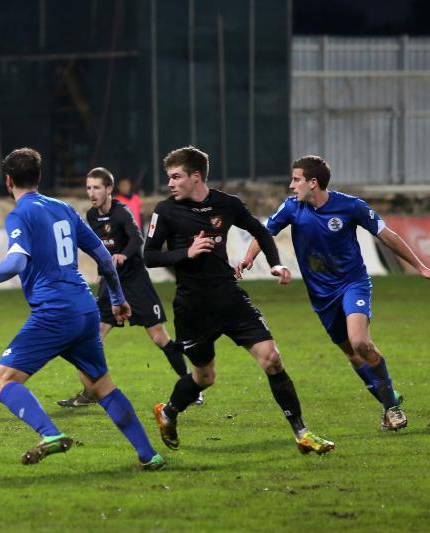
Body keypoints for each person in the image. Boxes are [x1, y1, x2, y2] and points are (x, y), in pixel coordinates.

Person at [0, 148, 166, 470]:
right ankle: (149, 455)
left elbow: (15, 263)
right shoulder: (64, 208)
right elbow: (103, 256)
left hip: (54, 313)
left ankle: (50, 434)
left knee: (0, 381)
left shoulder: (20, 214)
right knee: (101, 386)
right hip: (85, 309)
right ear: (39, 177)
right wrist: (116, 298)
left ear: (8, 180)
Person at [143, 146, 334, 455]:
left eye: (176, 177)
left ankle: (302, 433)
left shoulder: (227, 204)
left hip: (229, 298)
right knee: (204, 377)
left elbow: (261, 231)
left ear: (196, 177)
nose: (170, 183)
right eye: (170, 177)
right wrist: (185, 253)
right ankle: (169, 412)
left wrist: (275, 263)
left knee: (272, 358)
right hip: (193, 307)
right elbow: (149, 256)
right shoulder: (166, 210)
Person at [236, 155, 429, 431]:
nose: (291, 185)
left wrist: (419, 266)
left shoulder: (351, 206)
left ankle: (391, 408)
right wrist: (248, 258)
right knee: (352, 354)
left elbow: (387, 235)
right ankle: (387, 399)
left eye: (296, 180)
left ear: (313, 183)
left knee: (360, 342)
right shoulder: (291, 208)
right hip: (321, 295)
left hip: (352, 284)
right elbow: (264, 233)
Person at [57, 167, 202, 408]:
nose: (91, 193)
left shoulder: (121, 212)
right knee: (93, 337)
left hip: (135, 281)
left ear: (109, 189)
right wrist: (102, 271)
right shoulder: (91, 216)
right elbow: (97, 247)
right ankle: (90, 393)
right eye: (88, 188)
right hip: (110, 283)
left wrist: (123, 255)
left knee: (159, 337)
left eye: (96, 188)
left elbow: (137, 239)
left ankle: (192, 387)